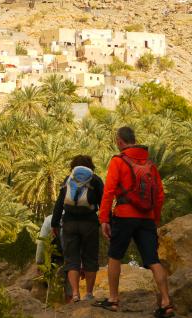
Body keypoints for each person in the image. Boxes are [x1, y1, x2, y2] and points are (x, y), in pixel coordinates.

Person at [93, 127, 174, 318]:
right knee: (153, 260)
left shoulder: (118, 161)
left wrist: (104, 218)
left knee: (115, 256)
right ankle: (166, 302)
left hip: (124, 215)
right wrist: (154, 218)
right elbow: (160, 195)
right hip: (146, 218)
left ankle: (113, 299)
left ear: (120, 141)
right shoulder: (150, 164)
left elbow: (109, 191)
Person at [52, 155, 104, 303]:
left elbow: (59, 203)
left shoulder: (69, 179)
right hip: (89, 223)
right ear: (91, 166)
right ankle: (88, 293)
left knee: (71, 259)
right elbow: (103, 203)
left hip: (69, 223)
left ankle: (75, 294)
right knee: (90, 258)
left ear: (73, 166)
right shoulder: (96, 180)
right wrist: (106, 221)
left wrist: (55, 223)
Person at [36, 214, 72, 302]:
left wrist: (39, 261)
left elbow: (41, 243)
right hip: (73, 258)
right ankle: (71, 311)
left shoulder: (49, 219)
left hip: (56, 258)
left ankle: (56, 310)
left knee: (56, 287)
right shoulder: (76, 217)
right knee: (71, 290)